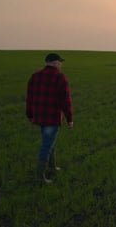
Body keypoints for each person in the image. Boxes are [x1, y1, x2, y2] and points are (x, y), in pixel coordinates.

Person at [26, 53, 73, 184]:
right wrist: (70, 118)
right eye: (60, 62)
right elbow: (66, 101)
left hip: (40, 116)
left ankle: (52, 167)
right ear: (55, 63)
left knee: (49, 141)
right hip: (52, 117)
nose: (61, 65)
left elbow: (29, 98)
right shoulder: (60, 77)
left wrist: (29, 115)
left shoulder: (35, 76)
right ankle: (39, 176)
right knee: (47, 144)